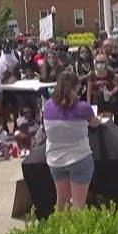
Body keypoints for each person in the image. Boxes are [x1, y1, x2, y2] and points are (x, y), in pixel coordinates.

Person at [43, 72, 101, 211]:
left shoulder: (48, 106)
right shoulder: (83, 108)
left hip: (55, 160)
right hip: (79, 158)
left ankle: (58, 231)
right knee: (78, 206)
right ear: (75, 87)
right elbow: (95, 124)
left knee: (61, 202)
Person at [87, 53, 118, 118]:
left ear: (106, 62)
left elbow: (117, 86)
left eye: (102, 62)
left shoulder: (110, 73)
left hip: (108, 100)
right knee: (98, 119)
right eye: (98, 62)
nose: (100, 64)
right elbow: (89, 91)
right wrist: (88, 104)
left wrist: (111, 92)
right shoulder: (92, 74)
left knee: (106, 120)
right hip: (96, 100)